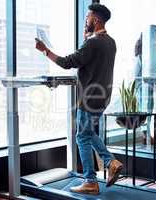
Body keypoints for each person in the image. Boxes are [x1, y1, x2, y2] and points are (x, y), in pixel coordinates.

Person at [35, 3, 123, 195]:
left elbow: (68, 63)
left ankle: (90, 181)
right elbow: (91, 62)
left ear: (97, 19)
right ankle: (111, 162)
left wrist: (44, 50)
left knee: (81, 136)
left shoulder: (93, 43)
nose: (86, 19)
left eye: (88, 16)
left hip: (89, 97)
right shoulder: (110, 42)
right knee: (88, 133)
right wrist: (86, 39)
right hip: (102, 97)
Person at [140, 25, 156, 144]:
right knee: (146, 108)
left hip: (150, 81)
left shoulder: (151, 46)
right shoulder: (149, 47)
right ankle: (146, 135)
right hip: (145, 82)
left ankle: (147, 135)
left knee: (149, 108)